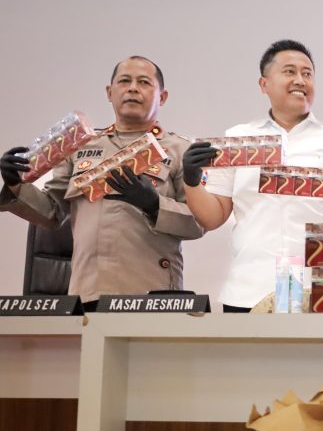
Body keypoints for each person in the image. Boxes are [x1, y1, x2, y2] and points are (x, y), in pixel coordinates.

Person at [182, 40, 323, 312]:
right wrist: (191, 180)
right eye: (289, 71)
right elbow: (212, 217)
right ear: (264, 84)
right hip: (249, 289)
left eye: (307, 74)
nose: (300, 80)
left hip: (319, 289)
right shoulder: (238, 139)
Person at [0, 56, 203, 310]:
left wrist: (154, 205)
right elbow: (51, 212)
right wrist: (15, 184)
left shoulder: (181, 151)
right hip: (88, 289)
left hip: (151, 292)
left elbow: (199, 222)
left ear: (162, 97)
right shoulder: (79, 146)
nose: (133, 88)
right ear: (109, 92)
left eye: (144, 82)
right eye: (124, 81)